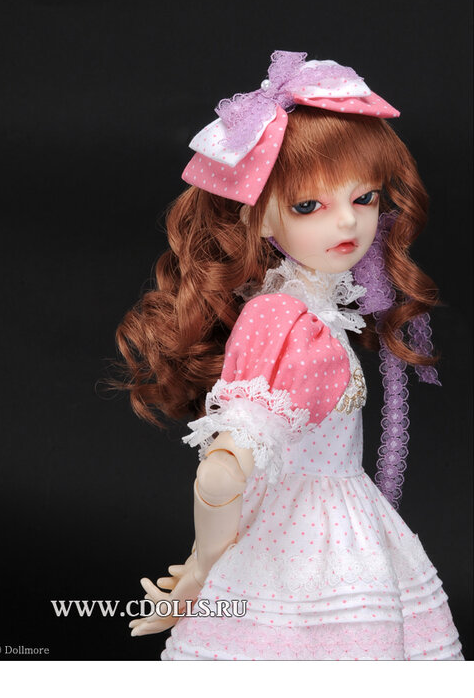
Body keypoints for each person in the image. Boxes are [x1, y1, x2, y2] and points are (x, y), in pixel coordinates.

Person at [116, 51, 463, 660]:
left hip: (338, 531)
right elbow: (223, 468)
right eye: (309, 205)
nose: (348, 223)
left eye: (365, 197)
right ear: (260, 218)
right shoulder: (284, 320)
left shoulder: (316, 310)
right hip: (305, 545)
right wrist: (202, 567)